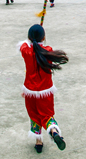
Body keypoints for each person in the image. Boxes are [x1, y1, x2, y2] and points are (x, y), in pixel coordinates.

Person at [18, 24, 68, 153]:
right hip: (45, 92)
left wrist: (32, 38)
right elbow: (39, 46)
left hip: (30, 91)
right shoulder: (47, 51)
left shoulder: (25, 51)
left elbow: (24, 44)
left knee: (34, 116)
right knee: (47, 116)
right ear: (44, 37)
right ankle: (54, 131)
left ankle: (38, 142)